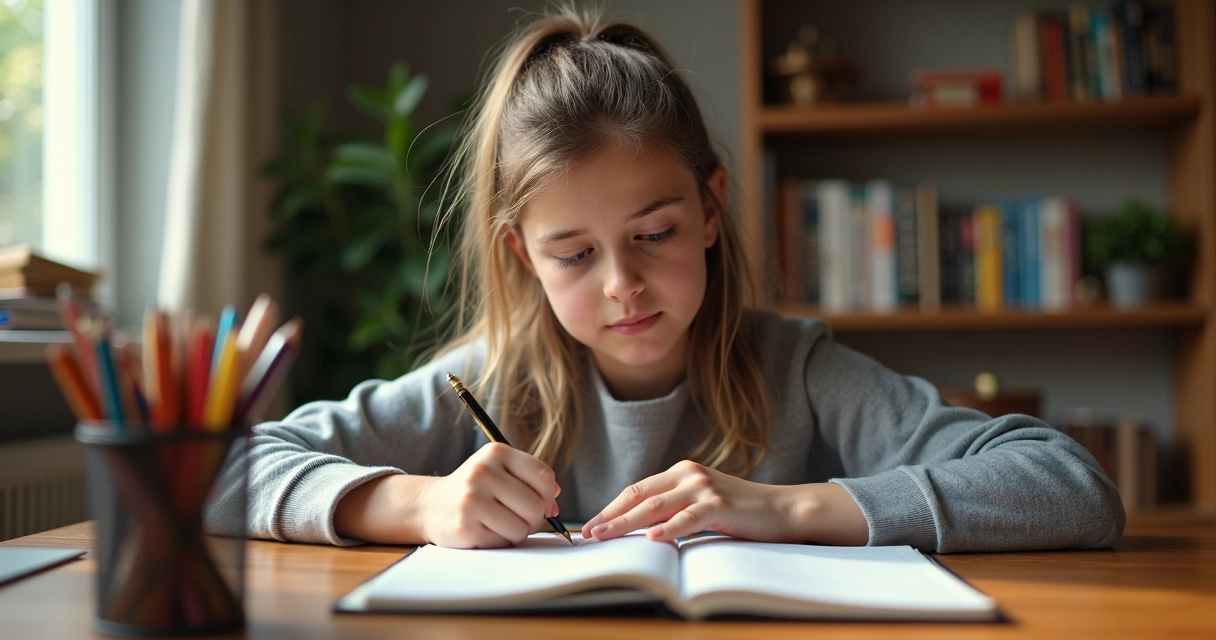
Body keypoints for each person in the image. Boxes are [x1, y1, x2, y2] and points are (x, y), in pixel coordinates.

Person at [207, 5, 1123, 553]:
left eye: (654, 233)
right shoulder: (489, 378)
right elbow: (217, 468)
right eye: (574, 254)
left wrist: (795, 506)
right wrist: (420, 501)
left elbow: (1070, 484)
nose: (622, 285)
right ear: (523, 256)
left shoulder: (794, 370)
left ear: (712, 208)